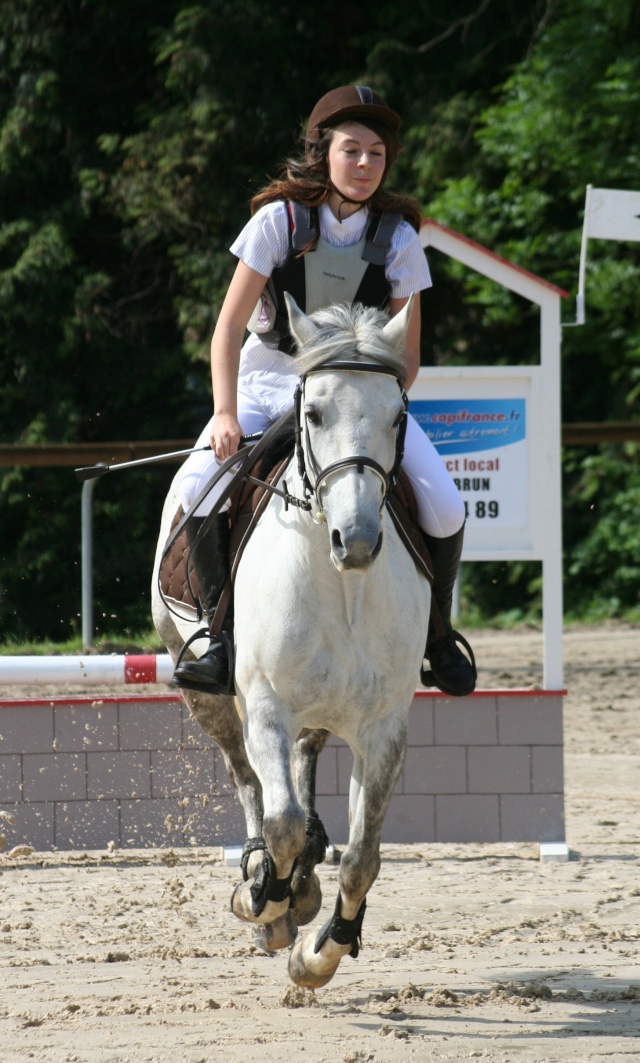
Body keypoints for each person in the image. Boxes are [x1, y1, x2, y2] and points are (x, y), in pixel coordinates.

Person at [172, 85, 476, 698]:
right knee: (196, 489)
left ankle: (437, 637)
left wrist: (375, 404)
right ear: (323, 152)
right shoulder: (277, 222)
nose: (365, 165)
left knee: (445, 504)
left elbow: (407, 355)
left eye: (376, 155)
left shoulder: (399, 240)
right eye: (352, 151)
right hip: (268, 377)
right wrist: (225, 411)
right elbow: (228, 329)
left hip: (355, 392)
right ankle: (215, 634)